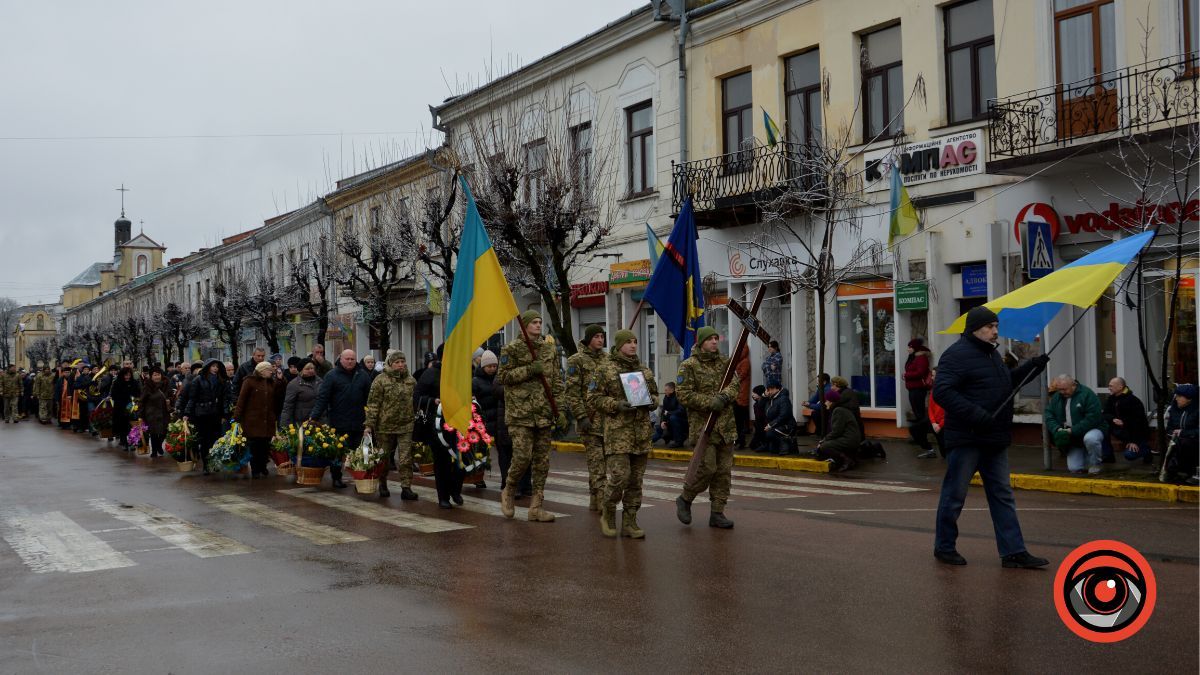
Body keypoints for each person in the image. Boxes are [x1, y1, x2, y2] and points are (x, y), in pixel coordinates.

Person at [932, 306, 1051, 568]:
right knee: (954, 495)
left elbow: (1005, 385)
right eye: (990, 327)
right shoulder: (956, 355)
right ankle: (944, 547)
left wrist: (1032, 368)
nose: (995, 331)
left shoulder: (992, 354)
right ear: (975, 329)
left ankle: (1013, 552)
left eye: (996, 326)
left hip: (994, 438)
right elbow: (942, 391)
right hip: (967, 438)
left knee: (1002, 495)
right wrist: (976, 415)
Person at [497, 310, 566, 522]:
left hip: (544, 413)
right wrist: (528, 370)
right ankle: (509, 489)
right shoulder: (511, 348)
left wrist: (561, 410)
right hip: (520, 414)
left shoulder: (549, 349)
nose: (538, 325)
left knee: (542, 463)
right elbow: (503, 376)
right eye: (534, 322)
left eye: (539, 322)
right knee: (522, 457)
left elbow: (556, 381)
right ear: (524, 325)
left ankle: (536, 506)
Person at [589, 330, 657, 538]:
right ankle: (608, 512)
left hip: (641, 433)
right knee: (620, 477)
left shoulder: (644, 370)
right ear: (619, 345)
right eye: (628, 342)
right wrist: (616, 404)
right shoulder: (605, 369)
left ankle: (630, 521)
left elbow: (655, 394)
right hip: (618, 434)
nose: (633, 345)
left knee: (636, 481)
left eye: (635, 341)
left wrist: (651, 401)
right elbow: (593, 398)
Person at [675, 326, 740, 530]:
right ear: (701, 342)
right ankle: (685, 498)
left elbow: (735, 384)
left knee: (723, 472)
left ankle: (717, 512)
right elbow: (683, 394)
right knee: (707, 468)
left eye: (716, 338)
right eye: (710, 339)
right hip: (704, 427)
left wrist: (724, 397)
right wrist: (710, 402)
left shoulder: (725, 363)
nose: (714, 342)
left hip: (726, 426)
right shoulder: (689, 366)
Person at [309, 349, 373, 489]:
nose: (350, 361)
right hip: (338, 421)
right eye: (347, 359)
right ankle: (336, 477)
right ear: (341, 359)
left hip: (358, 421)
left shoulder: (362, 375)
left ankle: (359, 479)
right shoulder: (331, 375)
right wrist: (314, 416)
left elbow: (370, 399)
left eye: (352, 359)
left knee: (359, 453)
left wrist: (371, 419)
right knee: (337, 452)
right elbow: (323, 398)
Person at [564, 324, 608, 511]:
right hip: (589, 420)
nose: (600, 340)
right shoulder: (576, 360)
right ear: (589, 339)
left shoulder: (608, 359)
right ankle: (602, 500)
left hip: (607, 420)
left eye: (602, 336)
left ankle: (594, 498)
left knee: (601, 461)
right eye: (596, 336)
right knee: (597, 461)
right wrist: (581, 417)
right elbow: (572, 392)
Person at [414, 344, 464, 507]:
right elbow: (417, 398)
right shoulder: (430, 374)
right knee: (442, 461)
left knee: (461, 460)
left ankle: (456, 490)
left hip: (458, 422)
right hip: (437, 426)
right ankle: (443, 497)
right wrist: (433, 401)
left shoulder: (459, 373)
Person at [474, 350, 529, 496]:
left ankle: (522, 484)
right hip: (496, 421)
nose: (492, 368)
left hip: (502, 420)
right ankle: (507, 482)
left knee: (518, 453)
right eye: (489, 366)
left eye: (494, 366)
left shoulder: (506, 375)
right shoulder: (486, 380)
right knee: (505, 454)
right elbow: (497, 392)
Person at [363, 351, 417, 500]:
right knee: (384, 458)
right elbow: (373, 404)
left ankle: (406, 487)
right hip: (384, 426)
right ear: (390, 364)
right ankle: (382, 483)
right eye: (397, 362)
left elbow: (416, 401)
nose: (400, 365)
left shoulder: (410, 380)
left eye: (402, 362)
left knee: (406, 458)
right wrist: (369, 425)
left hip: (406, 425)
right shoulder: (380, 380)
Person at [1045, 374, 1107, 475]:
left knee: (1090, 439)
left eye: (1064, 389)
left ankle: (1095, 464)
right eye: (1059, 389)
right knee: (1074, 468)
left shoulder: (1087, 394)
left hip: (1093, 429)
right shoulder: (1057, 397)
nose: (1062, 392)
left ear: (1073, 385)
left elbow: (1092, 418)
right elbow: (1049, 414)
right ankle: (1086, 456)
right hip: (1073, 435)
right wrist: (1057, 429)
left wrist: (1072, 430)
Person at [235, 361, 283, 478]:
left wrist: (280, 380)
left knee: (265, 446)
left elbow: (279, 395)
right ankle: (255, 469)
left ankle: (263, 466)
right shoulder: (249, 381)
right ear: (262, 371)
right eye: (269, 370)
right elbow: (241, 399)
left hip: (267, 420)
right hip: (253, 420)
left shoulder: (272, 382)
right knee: (254, 446)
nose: (271, 372)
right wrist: (236, 417)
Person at [183, 360, 228, 475]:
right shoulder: (198, 380)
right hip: (202, 414)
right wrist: (187, 413)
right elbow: (192, 398)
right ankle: (206, 464)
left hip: (215, 414)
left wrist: (225, 414)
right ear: (208, 367)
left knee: (215, 440)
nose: (215, 368)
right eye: (213, 366)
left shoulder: (221, 380)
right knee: (204, 441)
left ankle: (214, 462)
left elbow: (224, 399)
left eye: (217, 366)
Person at [1103, 377, 1150, 463]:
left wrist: (1133, 441)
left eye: (1111, 386)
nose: (1109, 388)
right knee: (1103, 428)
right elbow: (1105, 414)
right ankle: (1108, 456)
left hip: (1135, 433)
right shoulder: (1111, 399)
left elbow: (1138, 423)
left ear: (1120, 387)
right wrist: (1113, 419)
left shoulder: (1134, 401)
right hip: (1120, 430)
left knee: (1129, 455)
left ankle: (1146, 451)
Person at [814, 388, 860, 470]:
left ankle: (846, 460)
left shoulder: (838, 411)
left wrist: (823, 441)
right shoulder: (840, 409)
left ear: (831, 401)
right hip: (850, 438)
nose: (825, 403)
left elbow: (837, 432)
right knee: (825, 445)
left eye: (826, 400)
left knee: (825, 446)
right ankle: (842, 460)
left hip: (849, 439)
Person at [1163, 384, 1198, 485]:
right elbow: (1169, 427)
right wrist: (1171, 433)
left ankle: (1189, 472)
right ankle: (1174, 472)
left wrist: (1183, 432)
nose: (1176, 398)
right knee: (1176, 444)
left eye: (1179, 396)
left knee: (1185, 443)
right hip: (1178, 440)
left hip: (1193, 441)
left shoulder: (1197, 410)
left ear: (1189, 399)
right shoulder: (1174, 408)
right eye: (1176, 396)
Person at [139, 368, 173, 458]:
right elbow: (142, 401)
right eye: (155, 375)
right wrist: (140, 414)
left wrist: (170, 400)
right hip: (151, 413)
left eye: (158, 374)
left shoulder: (166, 384)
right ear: (151, 376)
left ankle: (159, 445)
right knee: (153, 432)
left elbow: (171, 395)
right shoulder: (147, 386)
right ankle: (154, 451)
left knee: (164, 431)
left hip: (164, 412)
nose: (157, 377)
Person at [908, 368, 941, 459]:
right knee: (914, 429)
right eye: (932, 375)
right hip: (933, 421)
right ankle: (930, 450)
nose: (931, 378)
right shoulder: (933, 389)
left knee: (945, 453)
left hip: (942, 423)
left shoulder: (946, 389)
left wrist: (940, 424)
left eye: (933, 376)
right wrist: (933, 422)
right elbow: (930, 408)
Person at [281, 359, 323, 428]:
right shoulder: (294, 384)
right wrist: (284, 427)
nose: (311, 370)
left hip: (320, 422)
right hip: (302, 423)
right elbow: (288, 407)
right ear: (301, 370)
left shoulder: (320, 382)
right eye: (307, 369)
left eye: (312, 368)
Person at [110, 367, 142, 450]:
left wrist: (135, 400)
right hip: (120, 407)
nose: (127, 377)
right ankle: (123, 441)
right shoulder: (117, 382)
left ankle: (132, 441)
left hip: (132, 406)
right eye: (125, 375)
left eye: (129, 375)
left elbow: (138, 393)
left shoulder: (134, 382)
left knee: (131, 424)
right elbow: (113, 395)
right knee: (122, 424)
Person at [903, 337, 933, 424]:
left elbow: (920, 373)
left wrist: (906, 375)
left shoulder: (921, 358)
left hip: (918, 388)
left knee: (919, 412)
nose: (908, 349)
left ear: (915, 348)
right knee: (917, 412)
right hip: (912, 388)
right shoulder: (912, 357)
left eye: (910, 347)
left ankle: (922, 428)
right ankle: (920, 427)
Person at [763, 382, 797, 456]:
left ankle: (787, 442)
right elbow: (760, 406)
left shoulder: (783, 399)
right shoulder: (771, 398)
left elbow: (784, 416)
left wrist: (770, 425)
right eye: (768, 389)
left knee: (770, 433)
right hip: (777, 424)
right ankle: (780, 446)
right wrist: (764, 396)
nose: (769, 391)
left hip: (787, 425)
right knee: (772, 450)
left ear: (777, 389)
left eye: (771, 389)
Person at [653, 381, 688, 447]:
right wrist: (663, 421)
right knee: (660, 426)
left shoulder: (678, 397)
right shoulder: (666, 398)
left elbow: (681, 411)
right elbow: (663, 412)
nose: (664, 392)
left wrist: (669, 413)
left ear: (672, 390)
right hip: (670, 420)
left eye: (666, 390)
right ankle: (651, 441)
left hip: (681, 422)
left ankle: (679, 441)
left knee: (673, 418)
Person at [801, 373, 831, 438]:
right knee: (815, 413)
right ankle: (820, 432)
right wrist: (807, 402)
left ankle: (822, 433)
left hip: (829, 411)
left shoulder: (827, 390)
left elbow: (821, 406)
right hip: (825, 410)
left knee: (816, 413)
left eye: (818, 381)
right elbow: (815, 398)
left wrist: (809, 405)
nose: (817, 383)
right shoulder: (821, 388)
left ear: (824, 382)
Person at [733, 344, 751, 449]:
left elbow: (742, 375)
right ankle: (738, 440)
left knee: (740, 421)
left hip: (741, 395)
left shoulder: (745, 362)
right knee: (737, 421)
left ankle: (741, 441)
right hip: (737, 394)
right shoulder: (740, 361)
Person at [72, 364, 94, 433]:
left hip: (90, 397)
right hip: (82, 398)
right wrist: (84, 385)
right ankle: (82, 427)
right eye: (85, 369)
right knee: (82, 413)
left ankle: (89, 427)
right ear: (82, 370)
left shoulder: (91, 377)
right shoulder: (79, 378)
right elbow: (75, 386)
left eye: (87, 369)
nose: (86, 371)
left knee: (90, 413)